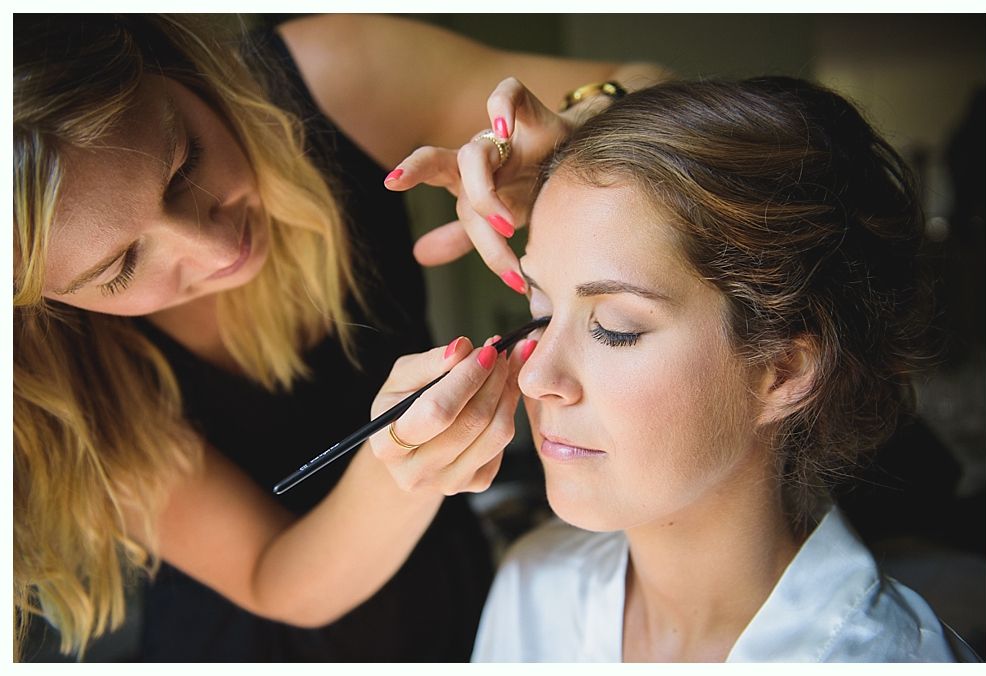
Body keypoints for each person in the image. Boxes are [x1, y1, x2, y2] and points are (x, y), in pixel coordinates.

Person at [13, 13, 667, 661]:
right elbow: (274, 576)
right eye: (121, 267)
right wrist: (402, 469)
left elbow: (653, 83)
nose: (214, 249)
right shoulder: (64, 376)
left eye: (185, 165)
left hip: (455, 608)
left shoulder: (334, 73)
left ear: (170, 67)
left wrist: (576, 146)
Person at [407, 76, 965, 661]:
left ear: (782, 370)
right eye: (540, 312)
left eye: (615, 328)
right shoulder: (533, 590)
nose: (535, 377)